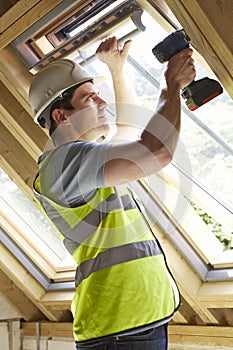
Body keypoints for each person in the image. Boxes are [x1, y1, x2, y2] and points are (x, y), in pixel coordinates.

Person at [29, 36, 195, 350]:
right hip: (119, 329)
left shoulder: (80, 161)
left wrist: (117, 72)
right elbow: (155, 151)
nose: (104, 103)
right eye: (91, 97)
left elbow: (128, 133)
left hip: (133, 324)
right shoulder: (62, 165)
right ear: (61, 116)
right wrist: (170, 86)